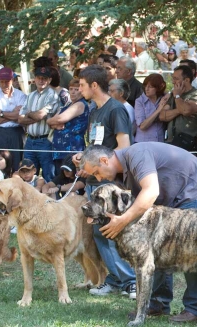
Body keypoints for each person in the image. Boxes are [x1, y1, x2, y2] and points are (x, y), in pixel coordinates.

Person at [79, 143, 197, 323]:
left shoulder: (137, 155)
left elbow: (151, 191)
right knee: (153, 249)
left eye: (96, 172)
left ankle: (194, 309)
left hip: (191, 189)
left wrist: (122, 221)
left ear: (104, 160)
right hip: (168, 196)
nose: (98, 177)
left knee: (189, 249)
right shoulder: (121, 170)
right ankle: (158, 303)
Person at [76, 64, 136, 298]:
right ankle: (115, 278)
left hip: (110, 182)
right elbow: (95, 145)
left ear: (94, 85)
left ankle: (131, 281)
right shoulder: (93, 111)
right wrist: (84, 157)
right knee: (99, 232)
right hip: (93, 180)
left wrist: (102, 166)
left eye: (82, 85)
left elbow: (124, 148)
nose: (79, 89)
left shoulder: (115, 110)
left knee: (112, 230)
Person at [18, 66, 59, 182]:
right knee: (27, 176)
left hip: (45, 141)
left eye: (44, 78)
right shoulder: (30, 95)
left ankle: (50, 200)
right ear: (34, 79)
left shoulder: (52, 95)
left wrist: (29, 113)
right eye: (39, 78)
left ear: (49, 80)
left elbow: (40, 115)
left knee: (48, 176)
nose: (41, 81)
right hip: (29, 141)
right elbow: (20, 119)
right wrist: (36, 115)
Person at [0, 67, 27, 173]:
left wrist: (1, 113)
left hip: (16, 133)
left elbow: (21, 117)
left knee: (16, 164)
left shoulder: (21, 95)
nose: (4, 84)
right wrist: (13, 114)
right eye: (2, 82)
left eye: (7, 81)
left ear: (12, 80)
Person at [159, 65, 197, 151]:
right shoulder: (173, 95)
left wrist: (177, 96)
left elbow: (186, 111)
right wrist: (179, 109)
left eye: (176, 78)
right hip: (171, 142)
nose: (173, 82)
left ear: (186, 80)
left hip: (187, 144)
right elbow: (162, 116)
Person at [47, 78, 89, 172]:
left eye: (76, 89)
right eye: (71, 89)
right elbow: (49, 121)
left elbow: (60, 118)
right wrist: (53, 123)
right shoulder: (67, 105)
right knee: (59, 178)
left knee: (71, 178)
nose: (73, 92)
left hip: (72, 150)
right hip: (59, 150)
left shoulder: (80, 104)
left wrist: (55, 122)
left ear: (81, 91)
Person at [134, 73, 169, 143]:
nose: (146, 89)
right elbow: (142, 126)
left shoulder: (164, 98)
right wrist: (158, 110)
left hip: (160, 142)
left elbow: (172, 93)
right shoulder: (140, 101)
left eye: (150, 87)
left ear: (158, 87)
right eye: (145, 86)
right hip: (143, 143)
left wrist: (169, 94)